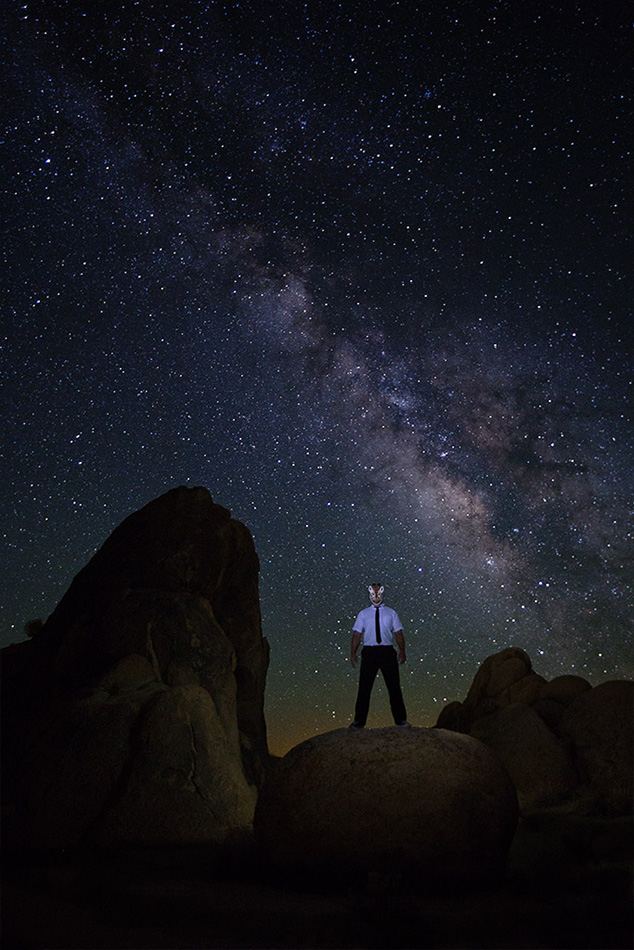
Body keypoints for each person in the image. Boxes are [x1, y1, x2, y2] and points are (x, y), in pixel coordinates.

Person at [349, 583, 410, 729]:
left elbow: (398, 633)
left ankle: (400, 720)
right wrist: (353, 653)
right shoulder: (363, 614)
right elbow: (356, 634)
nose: (375, 597)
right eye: (373, 594)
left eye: (378, 594)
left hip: (387, 652)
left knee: (394, 687)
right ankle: (359, 721)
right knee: (364, 688)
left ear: (382, 594)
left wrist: (402, 651)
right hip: (369, 652)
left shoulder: (391, 613)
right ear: (369, 594)